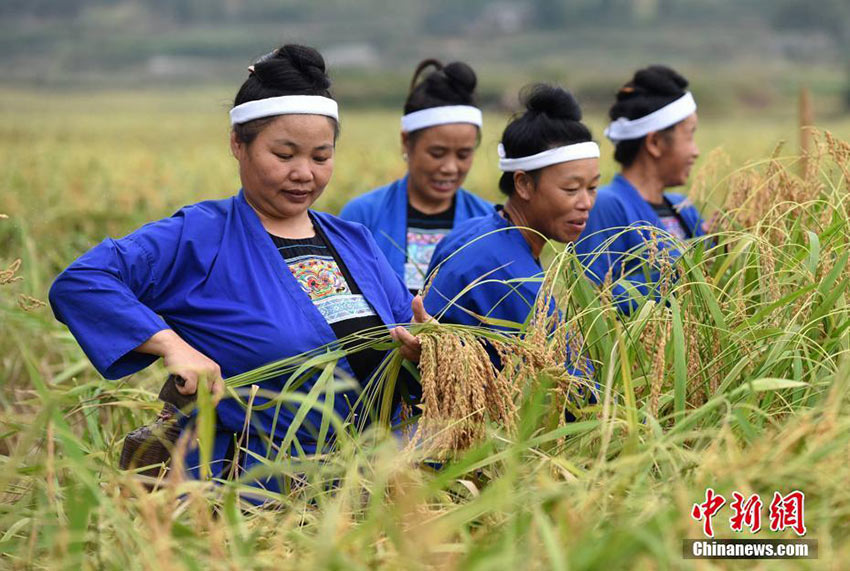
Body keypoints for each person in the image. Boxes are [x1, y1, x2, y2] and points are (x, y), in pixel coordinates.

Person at [48, 44, 425, 493]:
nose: (304, 172)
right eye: (285, 155)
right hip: (257, 493)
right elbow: (83, 282)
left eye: (320, 157)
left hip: (372, 483)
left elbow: (406, 334)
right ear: (237, 144)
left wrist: (424, 352)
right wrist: (172, 346)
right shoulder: (200, 236)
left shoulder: (354, 241)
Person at [424, 84, 599, 335]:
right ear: (524, 184)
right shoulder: (514, 280)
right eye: (571, 189)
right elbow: (564, 370)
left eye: (592, 187)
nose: (586, 203)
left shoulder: (471, 231)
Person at [340, 59, 492, 294]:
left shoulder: (490, 223)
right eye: (437, 153)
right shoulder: (362, 217)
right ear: (406, 142)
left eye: (463, 154)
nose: (450, 168)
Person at [574, 65, 706, 314]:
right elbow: (594, 300)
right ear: (654, 142)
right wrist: (682, 283)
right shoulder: (606, 205)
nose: (695, 151)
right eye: (689, 136)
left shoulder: (684, 209)